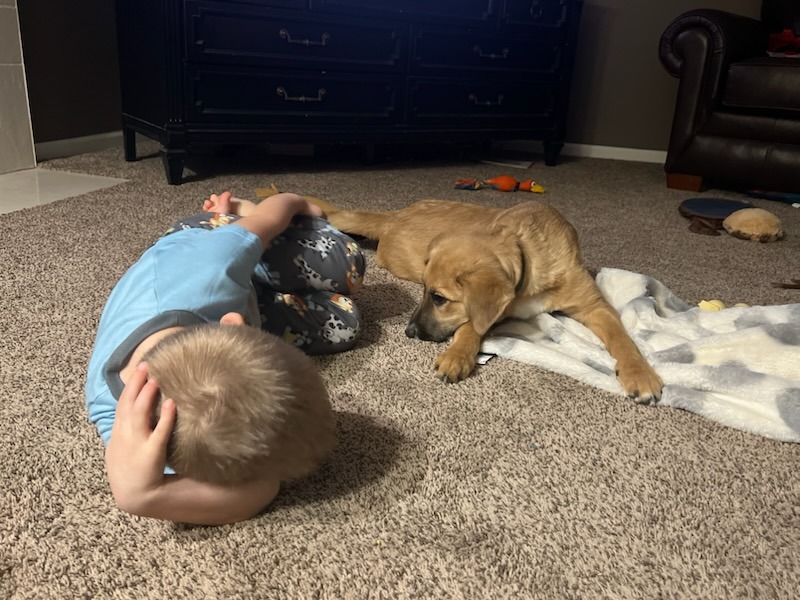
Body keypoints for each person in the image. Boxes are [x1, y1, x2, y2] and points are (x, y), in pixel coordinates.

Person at [85, 191, 365, 525]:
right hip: (237, 296)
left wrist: (296, 204)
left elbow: (270, 218)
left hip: (203, 238)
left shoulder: (212, 263)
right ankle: (259, 279)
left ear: (234, 323)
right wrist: (142, 496)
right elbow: (255, 492)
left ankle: (232, 215)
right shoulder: (143, 427)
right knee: (345, 323)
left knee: (347, 263)